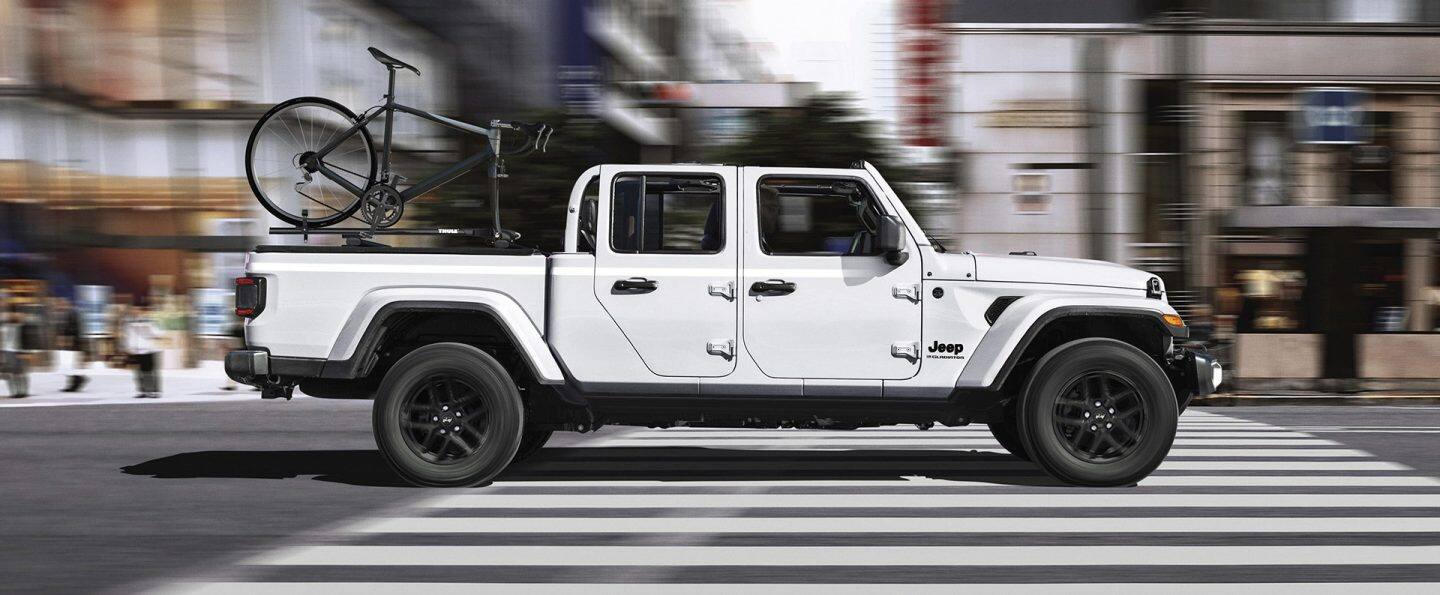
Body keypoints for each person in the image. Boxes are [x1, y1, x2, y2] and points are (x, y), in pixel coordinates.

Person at [122, 306, 162, 398]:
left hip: (148, 349)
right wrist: (127, 347)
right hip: (135, 350)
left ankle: (154, 391)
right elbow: (126, 336)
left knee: (150, 372)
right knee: (138, 372)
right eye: (133, 310)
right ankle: (142, 390)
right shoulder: (128, 322)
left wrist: (148, 329)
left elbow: (158, 333)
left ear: (142, 311)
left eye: (137, 309)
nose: (135, 312)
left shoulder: (149, 321)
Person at [54, 298, 88, 393]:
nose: (58, 306)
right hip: (70, 343)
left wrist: (67, 338)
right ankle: (75, 382)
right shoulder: (66, 314)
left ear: (65, 304)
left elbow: (73, 329)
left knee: (69, 364)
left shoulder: (72, 313)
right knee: (68, 365)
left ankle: (77, 381)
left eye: (60, 304)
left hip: (72, 343)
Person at [0, 306, 29, 398]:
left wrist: (25, 353)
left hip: (19, 351)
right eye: (11, 313)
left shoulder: (22, 326)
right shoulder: (4, 326)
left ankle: (23, 391)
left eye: (15, 313)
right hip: (8, 352)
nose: (13, 315)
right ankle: (14, 392)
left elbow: (26, 340)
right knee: (11, 373)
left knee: (21, 372)